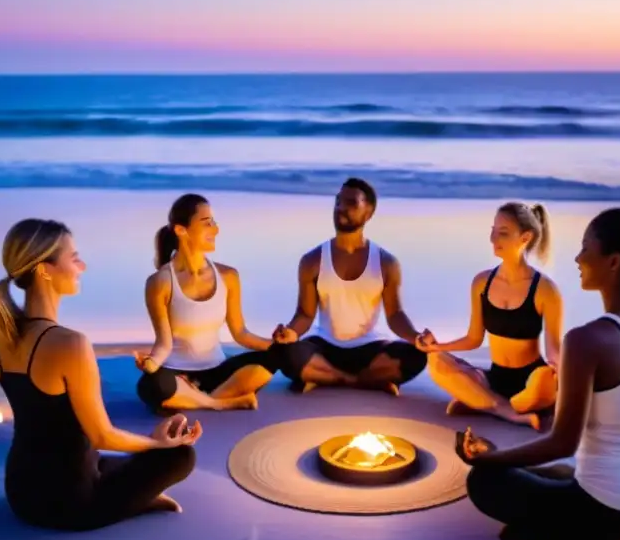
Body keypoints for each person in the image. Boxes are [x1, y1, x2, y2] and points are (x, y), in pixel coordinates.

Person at [456, 204, 620, 540]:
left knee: (484, 481)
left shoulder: (587, 341)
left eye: (586, 248)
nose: (577, 257)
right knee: (543, 471)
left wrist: (490, 460)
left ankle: (550, 531)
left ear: (614, 262)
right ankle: (556, 513)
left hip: (611, 521)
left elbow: (562, 443)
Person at [0, 218, 201, 532]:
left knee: (111, 459)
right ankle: (132, 502)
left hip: (20, 491)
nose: (82, 266)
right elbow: (102, 435)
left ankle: (132, 493)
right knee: (180, 456)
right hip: (70, 503)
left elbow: (57, 430)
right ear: (44, 269)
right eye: (74, 258)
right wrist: (158, 445)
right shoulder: (69, 344)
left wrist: (149, 443)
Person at [273, 178, 428, 394]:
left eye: (351, 203)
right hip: (324, 345)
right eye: (338, 202)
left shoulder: (386, 263)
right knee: (285, 353)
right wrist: (290, 333)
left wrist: (415, 337)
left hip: (371, 347)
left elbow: (395, 315)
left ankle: (326, 377)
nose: (341, 208)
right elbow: (305, 314)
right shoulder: (312, 260)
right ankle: (366, 380)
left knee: (417, 356)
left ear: (369, 213)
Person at [417, 202, 562, 430]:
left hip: (531, 379)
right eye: (493, 230)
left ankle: (483, 403)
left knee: (545, 379)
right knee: (437, 362)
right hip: (495, 378)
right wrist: (436, 346)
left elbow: (554, 351)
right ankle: (509, 411)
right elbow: (474, 338)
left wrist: (567, 384)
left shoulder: (546, 290)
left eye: (503, 233)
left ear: (525, 238)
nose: (494, 239)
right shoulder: (482, 283)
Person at [135, 193, 279, 412]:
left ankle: (194, 400)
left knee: (270, 361)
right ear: (181, 230)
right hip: (177, 374)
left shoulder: (228, 276)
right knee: (151, 385)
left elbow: (240, 332)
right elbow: (164, 343)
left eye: (214, 222)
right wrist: (151, 363)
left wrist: (279, 348)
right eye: (207, 223)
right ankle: (219, 403)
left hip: (218, 371)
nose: (216, 229)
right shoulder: (160, 282)